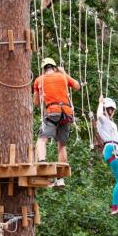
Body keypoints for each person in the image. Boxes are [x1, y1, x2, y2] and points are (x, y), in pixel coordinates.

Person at [33, 58, 80, 187]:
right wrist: (64, 73)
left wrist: (41, 94)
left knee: (42, 139)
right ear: (54, 67)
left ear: (43, 69)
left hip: (52, 112)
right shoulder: (62, 76)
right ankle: (61, 179)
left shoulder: (39, 80)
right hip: (66, 113)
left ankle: (42, 161)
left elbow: (36, 103)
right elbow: (77, 86)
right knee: (62, 145)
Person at [97, 95, 118, 215]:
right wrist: (100, 103)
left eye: (112, 110)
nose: (110, 112)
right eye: (108, 109)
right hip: (110, 149)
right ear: (104, 109)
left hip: (116, 149)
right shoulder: (102, 120)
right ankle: (115, 206)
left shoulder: (111, 123)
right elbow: (99, 115)